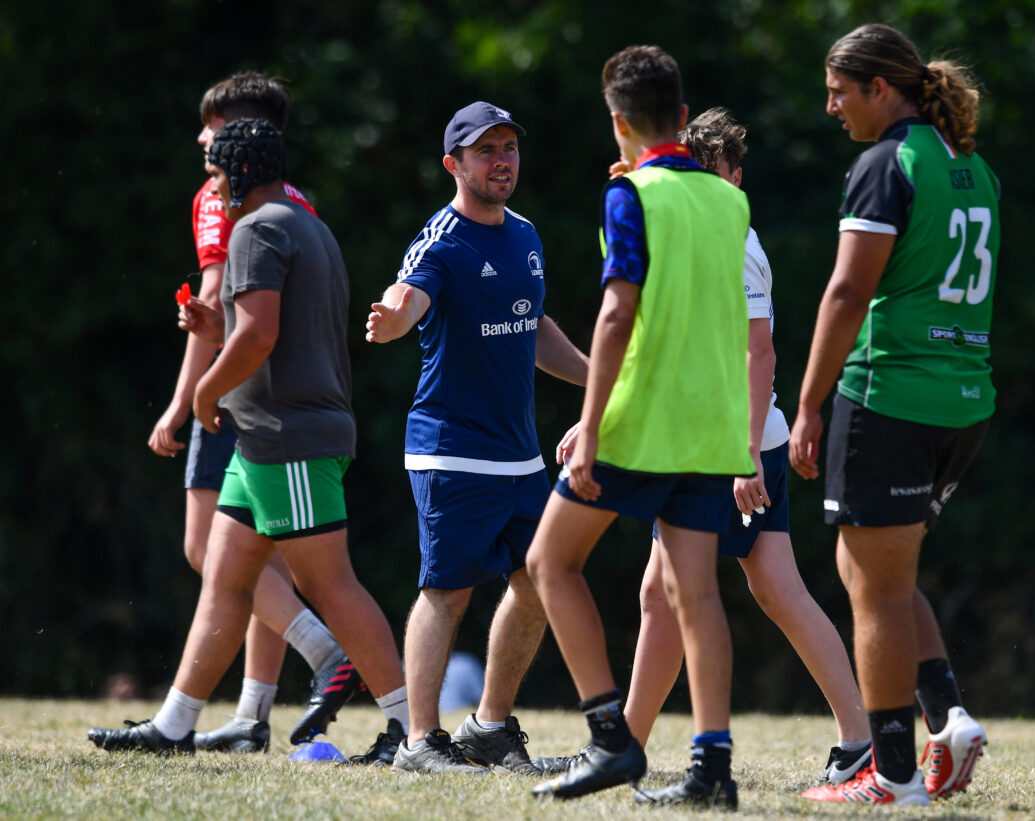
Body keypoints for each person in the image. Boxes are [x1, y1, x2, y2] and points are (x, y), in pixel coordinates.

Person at [88, 118, 409, 756]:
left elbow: (261, 336)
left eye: (216, 176)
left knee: (330, 585)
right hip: (266, 441)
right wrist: (218, 321)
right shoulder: (308, 225)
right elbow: (274, 327)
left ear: (235, 175)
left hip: (287, 435)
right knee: (227, 578)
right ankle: (175, 725)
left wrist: (205, 391)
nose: (214, 189)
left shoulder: (256, 229)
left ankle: (411, 730)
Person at [525, 46, 751, 809]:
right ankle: (711, 769)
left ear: (617, 121)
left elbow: (619, 310)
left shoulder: (631, 196)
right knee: (699, 595)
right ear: (684, 120)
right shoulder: (729, 200)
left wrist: (589, 425)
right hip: (712, 426)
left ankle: (610, 738)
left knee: (549, 561)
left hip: (642, 418)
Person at [620, 107, 872, 784]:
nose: (715, 188)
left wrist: (740, 455)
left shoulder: (737, 242)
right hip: (731, 442)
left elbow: (760, 354)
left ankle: (622, 748)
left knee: (669, 593)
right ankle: (859, 739)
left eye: (723, 175)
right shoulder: (704, 232)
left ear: (737, 175)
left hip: (735, 448)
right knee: (772, 590)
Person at [790, 24, 997, 806]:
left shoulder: (886, 164)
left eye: (840, 90)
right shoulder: (974, 166)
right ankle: (948, 717)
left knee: (873, 587)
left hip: (891, 394)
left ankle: (894, 774)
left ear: (883, 88)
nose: (832, 106)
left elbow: (846, 294)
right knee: (876, 569)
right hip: (964, 400)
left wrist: (809, 403)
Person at [363, 101, 588, 774]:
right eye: (485, 150)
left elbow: (534, 324)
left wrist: (597, 379)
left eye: (509, 148)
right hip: (451, 449)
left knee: (542, 577)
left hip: (519, 453)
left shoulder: (524, 234)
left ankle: (489, 725)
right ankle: (420, 743)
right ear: (453, 164)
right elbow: (408, 297)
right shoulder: (443, 238)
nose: (502, 160)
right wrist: (393, 320)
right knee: (448, 589)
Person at [144, 72, 367, 753]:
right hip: (295, 398)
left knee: (213, 550)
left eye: (212, 127)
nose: (202, 139)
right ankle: (248, 714)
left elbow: (223, 309)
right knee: (246, 554)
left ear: (239, 134)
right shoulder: (299, 201)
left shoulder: (222, 199)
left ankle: (331, 652)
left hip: (254, 400)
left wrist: (188, 400)